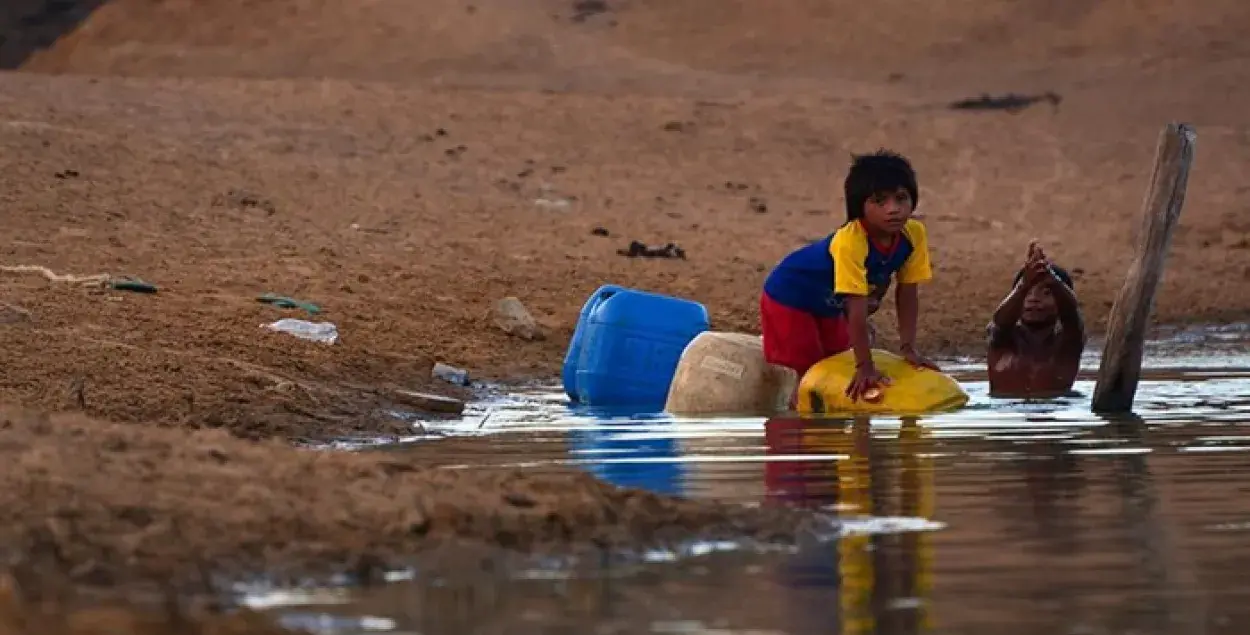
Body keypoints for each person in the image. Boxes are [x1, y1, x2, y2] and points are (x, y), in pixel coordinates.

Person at [760, 150, 938, 402]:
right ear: (859, 206)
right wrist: (865, 365)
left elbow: (907, 291)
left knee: (833, 363)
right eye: (880, 201)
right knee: (809, 372)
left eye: (901, 199)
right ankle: (793, 430)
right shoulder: (851, 241)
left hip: (831, 303)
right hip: (790, 297)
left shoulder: (913, 234)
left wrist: (909, 349)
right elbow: (856, 304)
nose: (894, 210)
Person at [986, 241, 1086, 398]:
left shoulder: (1067, 344)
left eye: (1046, 293)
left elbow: (1071, 314)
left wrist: (1052, 279)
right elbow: (1000, 322)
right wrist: (1023, 285)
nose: (1034, 299)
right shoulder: (1002, 340)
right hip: (1007, 417)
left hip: (1053, 418)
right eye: (1028, 293)